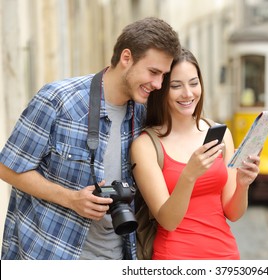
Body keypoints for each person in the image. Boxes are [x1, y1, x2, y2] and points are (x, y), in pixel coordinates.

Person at [0, 17, 181, 260]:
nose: (159, 84)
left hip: (118, 255)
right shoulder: (58, 100)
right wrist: (71, 199)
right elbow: (7, 168)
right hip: (51, 254)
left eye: (164, 75)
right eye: (153, 72)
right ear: (126, 58)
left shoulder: (143, 113)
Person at [130, 48, 260, 259]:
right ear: (161, 89)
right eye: (176, 86)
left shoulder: (220, 134)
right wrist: (189, 175)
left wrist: (243, 184)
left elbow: (233, 213)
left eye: (193, 83)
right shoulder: (146, 145)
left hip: (225, 255)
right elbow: (168, 220)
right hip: (175, 257)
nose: (188, 94)